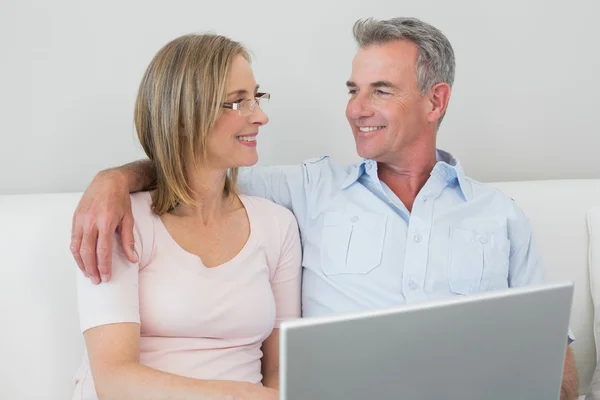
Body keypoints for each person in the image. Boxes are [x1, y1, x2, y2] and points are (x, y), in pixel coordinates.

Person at [70, 17, 579, 399]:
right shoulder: (308, 190)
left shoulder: (500, 216)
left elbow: (556, 366)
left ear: (435, 102)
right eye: (354, 90)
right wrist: (113, 180)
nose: (357, 108)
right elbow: (197, 168)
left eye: (380, 90)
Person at [70, 33, 302, 400]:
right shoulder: (122, 220)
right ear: (182, 119)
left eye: (256, 97)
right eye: (238, 102)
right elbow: (113, 381)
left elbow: (282, 370)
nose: (260, 115)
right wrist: (244, 397)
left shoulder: (277, 225)